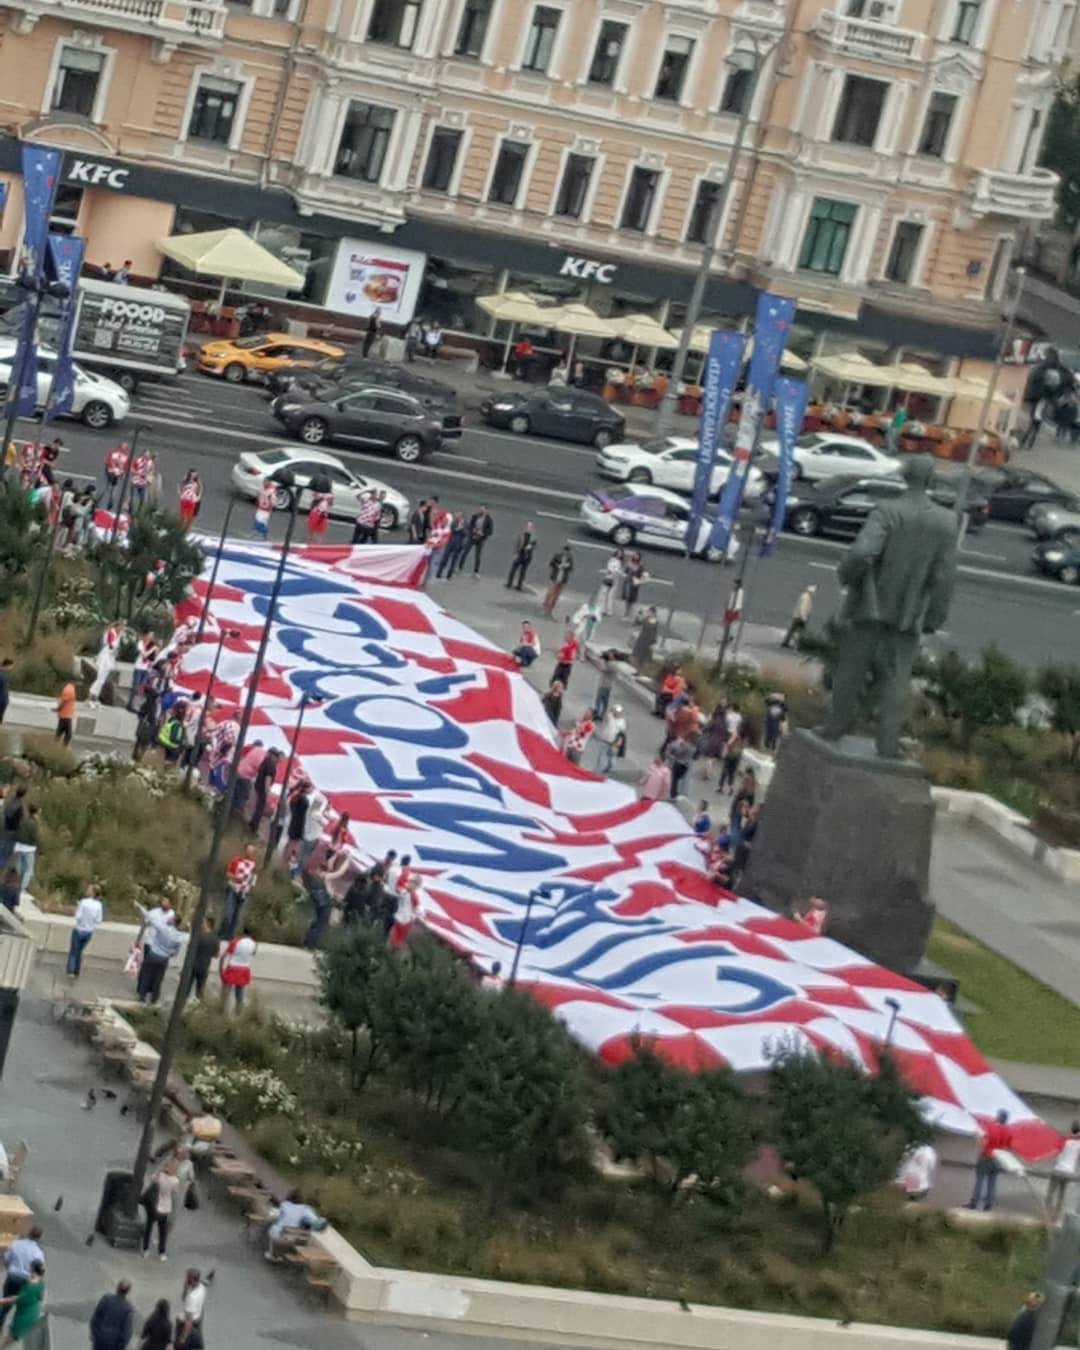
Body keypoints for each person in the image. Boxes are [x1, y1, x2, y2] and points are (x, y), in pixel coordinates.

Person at [967, 1108, 1013, 1211]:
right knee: (992, 1183)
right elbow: (1009, 1147)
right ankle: (988, 1205)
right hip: (998, 1159)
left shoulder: (991, 1127)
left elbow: (984, 1141)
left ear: (999, 1117)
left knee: (980, 1181)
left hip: (986, 1156)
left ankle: (974, 1203)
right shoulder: (1009, 1131)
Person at [137, 906, 183, 1004]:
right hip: (164, 958)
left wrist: (140, 907)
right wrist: (168, 953)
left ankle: (142, 996)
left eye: (171, 918)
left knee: (147, 974)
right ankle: (154, 997)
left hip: (153, 954)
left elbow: (150, 918)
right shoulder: (179, 937)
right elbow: (175, 952)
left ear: (174, 922)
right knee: (158, 978)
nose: (168, 919)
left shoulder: (163, 928)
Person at [0, 1228, 43, 1334]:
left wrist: (10, 1269)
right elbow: (39, 1272)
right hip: (26, 1283)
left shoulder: (16, 1244)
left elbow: (6, 1259)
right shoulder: (38, 1253)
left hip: (13, 1278)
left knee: (5, 1305)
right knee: (21, 1307)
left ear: (28, 1233)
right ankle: (13, 1329)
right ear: (39, 1238)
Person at [141, 1155, 181, 1260]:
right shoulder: (175, 1180)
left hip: (153, 1204)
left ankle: (145, 1250)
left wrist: (160, 1171)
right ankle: (161, 1252)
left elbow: (152, 1179)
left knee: (149, 1227)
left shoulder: (160, 1176)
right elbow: (175, 1190)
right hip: (165, 1206)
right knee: (162, 1230)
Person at [266, 1190, 325, 1259]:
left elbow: (275, 1215)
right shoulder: (305, 1209)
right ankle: (291, 1252)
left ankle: (272, 1254)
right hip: (296, 1239)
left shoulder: (285, 1205)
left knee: (274, 1228)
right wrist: (322, 1221)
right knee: (302, 1230)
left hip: (280, 1237)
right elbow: (316, 1222)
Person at [0, 1258, 44, 1347]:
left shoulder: (30, 1288)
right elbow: (41, 1297)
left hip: (23, 1320)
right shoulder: (40, 1283)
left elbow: (13, 1299)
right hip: (33, 1313)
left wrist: (2, 1301)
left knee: (4, 1343)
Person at [220, 843, 257, 938]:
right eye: (248, 850)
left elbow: (253, 878)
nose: (249, 853)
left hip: (244, 892)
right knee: (228, 912)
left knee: (236, 915)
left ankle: (230, 935)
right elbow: (228, 874)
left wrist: (250, 887)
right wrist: (235, 878)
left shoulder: (254, 865)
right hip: (233, 888)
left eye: (252, 851)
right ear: (245, 850)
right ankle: (222, 933)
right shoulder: (236, 860)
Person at [67, 884, 104, 979]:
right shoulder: (99, 905)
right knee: (79, 952)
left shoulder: (83, 902)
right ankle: (77, 971)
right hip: (88, 932)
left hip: (79, 929)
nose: (87, 890)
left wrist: (78, 909)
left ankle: (71, 971)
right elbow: (98, 920)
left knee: (73, 952)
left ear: (92, 892)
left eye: (89, 889)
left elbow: (78, 916)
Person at [1046, 1119, 1080, 1219]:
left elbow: (1056, 1153)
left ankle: (1047, 1213)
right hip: (1069, 1172)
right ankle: (1056, 1216)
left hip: (1058, 1170)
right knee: (1061, 1195)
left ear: (1071, 1129)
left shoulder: (1064, 1139)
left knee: (1050, 1193)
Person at [90, 1279, 134, 1350]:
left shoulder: (106, 1299)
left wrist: (95, 1335)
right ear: (128, 1292)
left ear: (117, 1287)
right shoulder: (128, 1309)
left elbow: (95, 1318)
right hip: (114, 1345)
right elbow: (127, 1332)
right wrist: (121, 1346)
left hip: (99, 1340)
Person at [220, 927, 256, 1011]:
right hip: (244, 969)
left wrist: (221, 971)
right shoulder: (254, 944)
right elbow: (253, 953)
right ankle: (238, 1011)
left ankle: (222, 1009)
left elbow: (223, 956)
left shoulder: (236, 942)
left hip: (233, 967)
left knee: (226, 991)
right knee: (239, 993)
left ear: (243, 933)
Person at [249, 746, 282, 835]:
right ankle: (253, 828)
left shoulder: (265, 762)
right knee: (259, 809)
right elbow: (268, 780)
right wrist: (267, 794)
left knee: (256, 807)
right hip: (262, 789)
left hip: (257, 786)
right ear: (274, 756)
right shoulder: (271, 765)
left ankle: (251, 825)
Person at [89, 621, 122, 706]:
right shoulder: (111, 632)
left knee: (103, 678)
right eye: (120, 627)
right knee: (100, 676)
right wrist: (115, 650)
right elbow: (110, 644)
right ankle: (91, 694)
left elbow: (115, 647)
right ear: (116, 626)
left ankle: (95, 696)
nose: (121, 629)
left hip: (110, 658)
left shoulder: (118, 635)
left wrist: (116, 651)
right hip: (105, 656)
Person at [190, 914, 220, 1002]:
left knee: (186, 988)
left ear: (208, 924)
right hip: (205, 967)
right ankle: (197, 1006)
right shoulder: (216, 938)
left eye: (203, 922)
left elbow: (191, 950)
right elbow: (216, 955)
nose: (201, 924)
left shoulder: (198, 935)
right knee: (200, 990)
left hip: (193, 965)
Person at [302, 862, 332, 949]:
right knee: (318, 925)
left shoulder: (314, 879)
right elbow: (339, 872)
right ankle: (311, 944)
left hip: (315, 904)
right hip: (321, 906)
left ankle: (307, 943)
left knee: (314, 924)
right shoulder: (323, 879)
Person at [174, 1269, 207, 1350]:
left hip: (187, 1325)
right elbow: (183, 1298)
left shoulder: (192, 1297)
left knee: (181, 1346)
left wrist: (183, 1338)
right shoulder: (202, 1287)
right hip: (197, 1320)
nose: (185, 1279)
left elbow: (189, 1320)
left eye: (187, 1278)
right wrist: (185, 1289)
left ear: (191, 1279)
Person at [127, 632, 159, 711]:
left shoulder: (152, 645)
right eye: (149, 636)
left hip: (146, 668)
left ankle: (136, 706)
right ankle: (130, 704)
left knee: (141, 688)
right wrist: (153, 649)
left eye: (152, 637)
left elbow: (154, 657)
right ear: (145, 635)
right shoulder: (141, 643)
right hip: (139, 667)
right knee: (135, 686)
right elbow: (144, 655)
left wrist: (155, 650)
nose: (150, 638)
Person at [590, 703, 626, 774]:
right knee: (602, 757)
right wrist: (611, 710)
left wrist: (619, 742)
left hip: (614, 743)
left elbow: (622, 733)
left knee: (610, 758)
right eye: (616, 711)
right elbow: (606, 715)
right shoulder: (610, 716)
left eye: (619, 712)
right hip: (605, 740)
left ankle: (607, 767)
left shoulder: (622, 721)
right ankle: (596, 772)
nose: (617, 713)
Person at [11, 805, 37, 894]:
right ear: (36, 813)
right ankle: (21, 888)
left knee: (19, 868)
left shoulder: (22, 821)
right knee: (28, 870)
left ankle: (14, 884)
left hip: (19, 847)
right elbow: (34, 837)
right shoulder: (34, 823)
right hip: (29, 849)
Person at [542, 544, 573, 618]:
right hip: (554, 577)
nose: (566, 553)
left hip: (562, 579)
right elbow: (551, 563)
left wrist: (567, 566)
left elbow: (571, 568)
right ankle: (545, 606)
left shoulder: (570, 559)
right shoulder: (557, 556)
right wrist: (558, 565)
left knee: (556, 596)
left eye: (568, 552)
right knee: (550, 593)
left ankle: (550, 610)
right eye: (565, 551)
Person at [782, 585, 816, 649]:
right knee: (801, 632)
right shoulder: (807, 598)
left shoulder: (804, 595)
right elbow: (803, 608)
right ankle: (798, 645)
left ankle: (785, 642)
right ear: (811, 591)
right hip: (800, 617)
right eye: (813, 592)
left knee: (792, 630)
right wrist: (804, 618)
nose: (814, 593)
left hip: (797, 616)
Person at [436, 512, 468, 579]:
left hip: (459, 545)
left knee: (454, 561)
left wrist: (462, 528)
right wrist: (458, 528)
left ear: (461, 517)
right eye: (456, 516)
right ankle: (439, 574)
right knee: (445, 558)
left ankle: (449, 576)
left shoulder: (466, 524)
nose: (457, 517)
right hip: (450, 543)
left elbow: (466, 534)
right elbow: (452, 530)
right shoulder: (454, 522)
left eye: (458, 516)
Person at [463, 506, 494, 576]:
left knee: (478, 556)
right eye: (480, 510)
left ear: (486, 511)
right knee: (465, 552)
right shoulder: (475, 516)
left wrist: (483, 533)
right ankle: (460, 567)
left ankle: (476, 572)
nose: (481, 511)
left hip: (481, 540)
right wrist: (473, 530)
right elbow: (470, 525)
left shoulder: (489, 519)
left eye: (483, 510)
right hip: (472, 537)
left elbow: (491, 531)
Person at [506, 521, 537, 590]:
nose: (529, 528)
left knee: (523, 572)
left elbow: (535, 546)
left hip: (527, 556)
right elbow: (517, 544)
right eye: (528, 527)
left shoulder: (534, 537)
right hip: (520, 554)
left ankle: (519, 586)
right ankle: (509, 583)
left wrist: (531, 547)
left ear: (532, 528)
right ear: (526, 527)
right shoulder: (521, 534)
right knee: (513, 569)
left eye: (530, 527)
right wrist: (515, 554)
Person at [665, 732, 695, 799]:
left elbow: (676, 753)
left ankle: (673, 795)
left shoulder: (683, 745)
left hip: (678, 764)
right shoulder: (692, 747)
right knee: (682, 780)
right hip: (685, 766)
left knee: (674, 781)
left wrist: (678, 744)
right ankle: (681, 794)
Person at [102, 441, 129, 510]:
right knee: (107, 488)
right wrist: (109, 469)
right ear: (119, 447)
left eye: (126, 448)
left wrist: (122, 473)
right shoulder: (113, 452)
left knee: (113, 489)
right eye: (124, 448)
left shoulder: (126, 456)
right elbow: (106, 462)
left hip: (117, 475)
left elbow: (125, 467)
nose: (125, 449)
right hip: (110, 473)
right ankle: (107, 502)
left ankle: (110, 502)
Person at [621, 553, 647, 619]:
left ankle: (628, 614)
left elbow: (641, 576)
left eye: (637, 557)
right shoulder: (629, 563)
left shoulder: (640, 566)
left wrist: (639, 580)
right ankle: (626, 613)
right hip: (627, 582)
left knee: (631, 600)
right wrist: (625, 574)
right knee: (627, 599)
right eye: (635, 556)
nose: (635, 558)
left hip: (634, 584)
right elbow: (625, 571)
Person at [598, 549, 623, 616]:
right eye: (619, 553)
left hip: (610, 579)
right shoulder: (616, 561)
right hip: (612, 579)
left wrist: (608, 571)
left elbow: (612, 570)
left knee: (605, 595)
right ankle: (607, 610)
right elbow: (613, 570)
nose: (620, 555)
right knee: (608, 595)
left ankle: (604, 610)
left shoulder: (614, 561)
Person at [593, 650, 617, 720]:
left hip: (605, 685)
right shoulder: (611, 663)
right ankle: (601, 714)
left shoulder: (612, 664)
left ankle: (598, 713)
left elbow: (602, 668)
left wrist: (601, 660)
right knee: (604, 700)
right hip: (607, 684)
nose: (609, 655)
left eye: (610, 654)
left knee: (599, 699)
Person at [55, 679, 76, 746]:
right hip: (65, 716)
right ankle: (61, 749)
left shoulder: (69, 688)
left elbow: (63, 700)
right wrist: (58, 709)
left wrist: (58, 709)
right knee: (68, 735)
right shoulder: (69, 689)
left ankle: (55, 747)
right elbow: (63, 701)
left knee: (60, 734)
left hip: (65, 715)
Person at [0, 657, 12, 726]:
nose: (11, 668)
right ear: (7, 665)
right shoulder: (2, 675)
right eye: (10, 666)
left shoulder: (5, 675)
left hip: (3, 701)